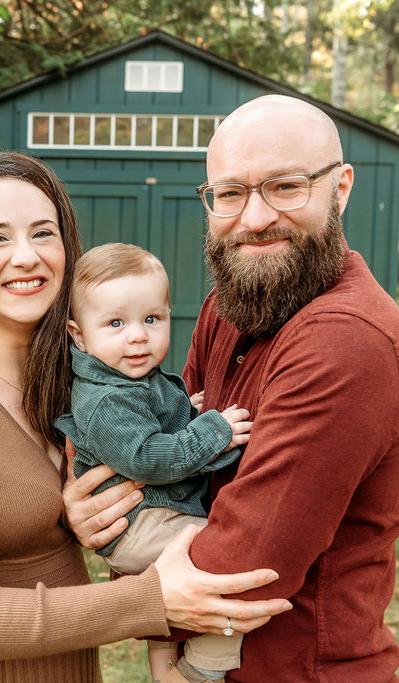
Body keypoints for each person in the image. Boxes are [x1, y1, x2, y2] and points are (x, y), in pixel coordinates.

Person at [0, 151, 292, 682]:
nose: (26, 256)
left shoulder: (80, 382)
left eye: (43, 233)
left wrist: (73, 518)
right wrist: (151, 599)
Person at [63, 95, 399, 683]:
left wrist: (129, 555)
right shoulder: (230, 305)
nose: (253, 218)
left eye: (285, 186)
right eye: (229, 193)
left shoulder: (347, 338)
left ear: (341, 188)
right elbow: (180, 458)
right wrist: (100, 515)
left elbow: (246, 562)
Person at [55, 243, 254, 683]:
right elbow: (148, 457)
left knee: (202, 561)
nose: (138, 335)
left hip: (152, 513)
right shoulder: (105, 400)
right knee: (224, 554)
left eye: (151, 319)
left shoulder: (133, 375)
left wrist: (184, 407)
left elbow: (157, 414)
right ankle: (205, 665)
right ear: (79, 335)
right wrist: (211, 430)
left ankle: (165, 672)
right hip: (140, 522)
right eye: (115, 323)